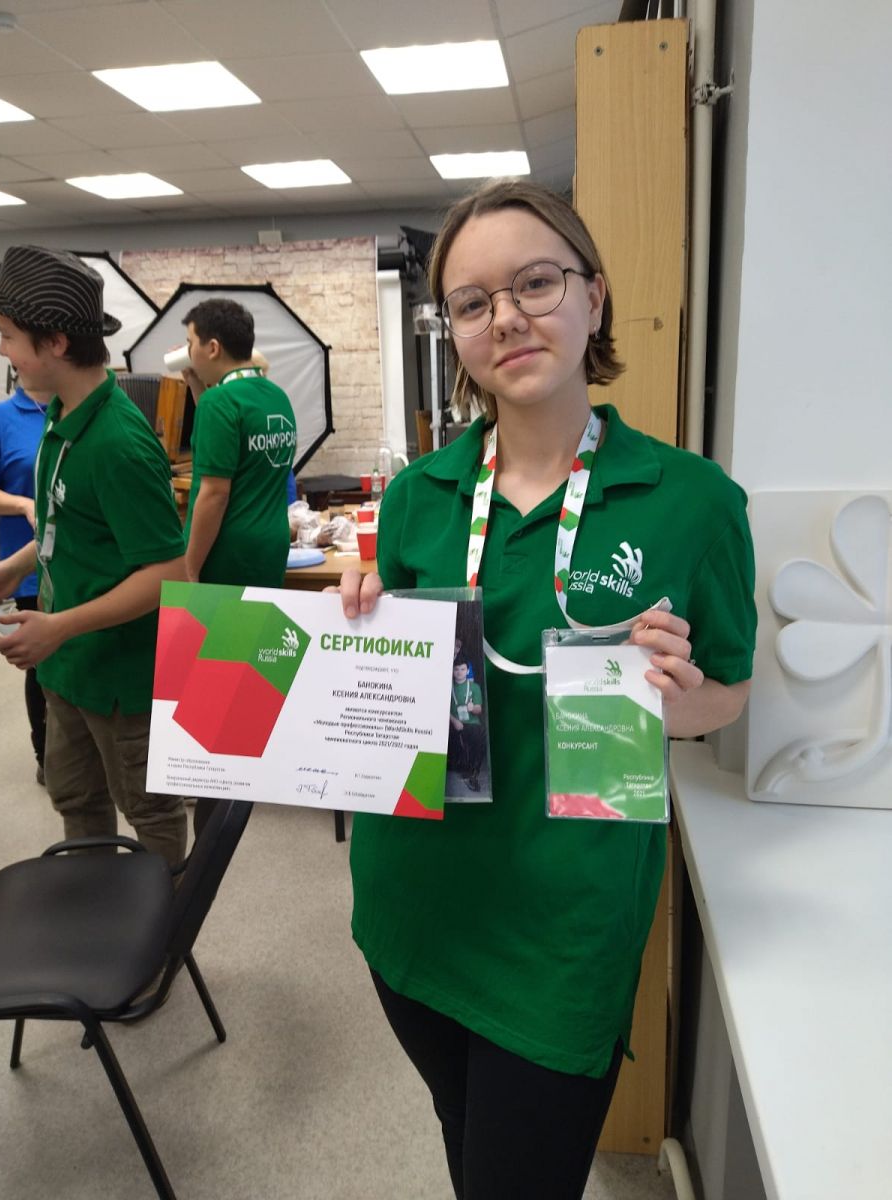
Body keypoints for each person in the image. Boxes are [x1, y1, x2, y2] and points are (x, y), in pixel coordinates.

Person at [337, 180, 757, 1200]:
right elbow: (407, 702)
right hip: (413, 908)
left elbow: (729, 693)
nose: (506, 318)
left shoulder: (693, 501)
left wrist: (679, 700)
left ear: (594, 296)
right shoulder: (418, 496)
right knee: (464, 1138)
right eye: (471, 302)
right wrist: (356, 631)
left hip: (564, 931)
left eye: (535, 283)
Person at [0, 245, 188, 867]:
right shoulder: (61, 413)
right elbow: (65, 524)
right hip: (67, 670)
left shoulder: (119, 443)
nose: (2, 351)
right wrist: (14, 568)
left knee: (148, 810)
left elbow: (170, 574)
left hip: (119, 678)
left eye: (8, 336)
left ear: (54, 342)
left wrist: (59, 627)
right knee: (77, 800)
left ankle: (162, 922)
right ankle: (95, 906)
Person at [181, 298, 296, 588]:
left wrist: (189, 568)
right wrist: (195, 383)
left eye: (190, 343)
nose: (188, 353)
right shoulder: (276, 397)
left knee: (212, 622)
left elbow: (215, 493)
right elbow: (226, 435)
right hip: (270, 545)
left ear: (213, 348)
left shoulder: (218, 403)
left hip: (225, 553)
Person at [0, 378, 52, 781]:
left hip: (81, 563)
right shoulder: (0, 418)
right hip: (26, 565)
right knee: (41, 665)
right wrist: (22, 503)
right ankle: (46, 754)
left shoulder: (77, 409)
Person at [448, 654, 484, 791]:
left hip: (471, 722)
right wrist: (454, 721)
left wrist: (472, 708)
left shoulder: (474, 687)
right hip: (454, 722)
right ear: (452, 670)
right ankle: (459, 765)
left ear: (467, 670)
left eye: (462, 669)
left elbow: (479, 709)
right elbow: (442, 708)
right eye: (456, 669)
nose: (459, 672)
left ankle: (473, 774)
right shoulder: (448, 686)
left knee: (478, 735)